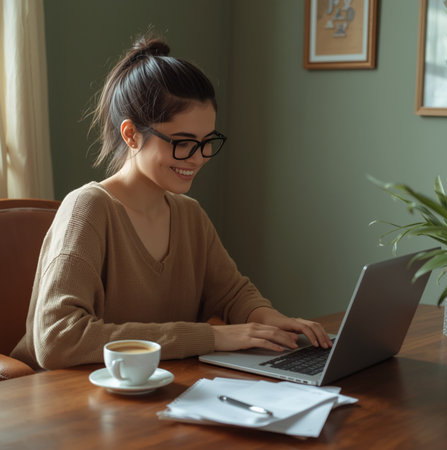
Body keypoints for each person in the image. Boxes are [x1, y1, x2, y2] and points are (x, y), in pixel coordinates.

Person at [11, 36, 332, 370]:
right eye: (182, 143)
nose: (198, 158)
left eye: (207, 142)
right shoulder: (87, 209)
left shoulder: (189, 215)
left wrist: (271, 322)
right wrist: (213, 338)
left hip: (153, 395)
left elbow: (232, 293)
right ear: (131, 134)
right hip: (60, 402)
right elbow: (57, 339)